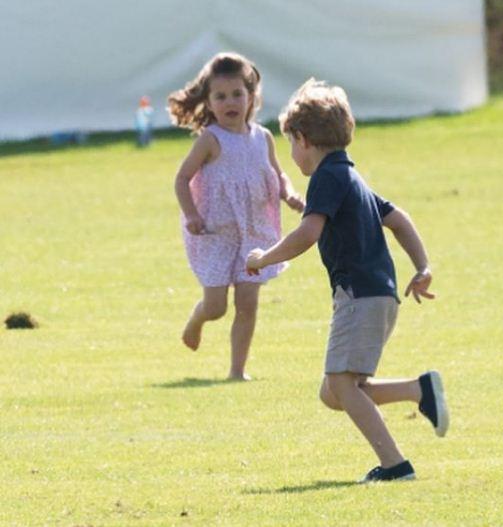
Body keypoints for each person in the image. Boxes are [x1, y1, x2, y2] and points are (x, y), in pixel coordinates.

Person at [246, 78, 449, 481]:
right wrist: (422, 266)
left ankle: (395, 465)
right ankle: (418, 390)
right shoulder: (350, 176)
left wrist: (263, 259)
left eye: (290, 144)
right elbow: (398, 218)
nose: (292, 154)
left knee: (342, 382)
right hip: (379, 295)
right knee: (334, 392)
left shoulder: (326, 178)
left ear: (302, 139)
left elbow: (308, 234)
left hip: (359, 296)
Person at [168, 52, 304, 380]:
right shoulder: (210, 140)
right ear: (209, 103)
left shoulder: (263, 137)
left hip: (254, 234)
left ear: (251, 97)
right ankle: (197, 319)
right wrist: (191, 215)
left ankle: (236, 371)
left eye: (237, 94)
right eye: (220, 96)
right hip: (217, 233)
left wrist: (289, 193)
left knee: (248, 304)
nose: (230, 102)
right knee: (217, 307)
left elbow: (277, 172)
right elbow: (182, 179)